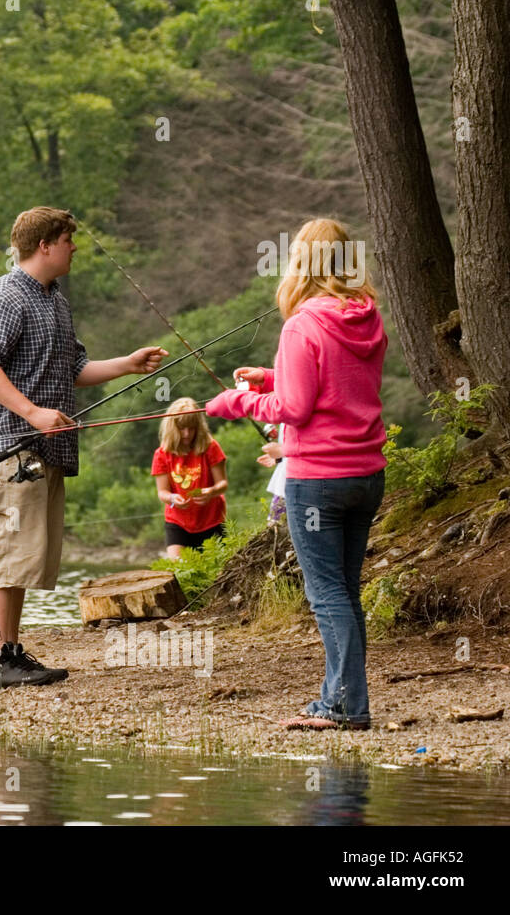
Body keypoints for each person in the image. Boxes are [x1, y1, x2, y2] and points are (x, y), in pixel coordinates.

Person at [0, 206, 167, 689]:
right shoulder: (4, 296)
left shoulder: (54, 299)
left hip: (42, 452)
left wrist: (127, 364)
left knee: (19, 557)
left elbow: (74, 367)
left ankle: (10, 650)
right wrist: (33, 413)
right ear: (45, 245)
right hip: (7, 449)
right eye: (67, 239)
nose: (74, 247)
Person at [205, 218, 386, 731]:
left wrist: (235, 400)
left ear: (301, 263)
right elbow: (336, 386)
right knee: (344, 592)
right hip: (366, 474)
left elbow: (295, 407)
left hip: (319, 482)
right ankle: (338, 696)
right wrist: (269, 374)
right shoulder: (366, 319)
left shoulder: (303, 324)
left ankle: (347, 706)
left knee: (326, 594)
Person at [151, 397, 228, 560]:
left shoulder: (210, 447)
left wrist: (211, 492)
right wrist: (172, 498)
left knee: (218, 572)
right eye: (181, 428)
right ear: (173, 428)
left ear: (198, 428)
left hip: (212, 520)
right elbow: (162, 493)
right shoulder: (162, 454)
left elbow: (223, 484)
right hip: (177, 522)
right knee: (179, 568)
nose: (187, 434)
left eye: (191, 428)